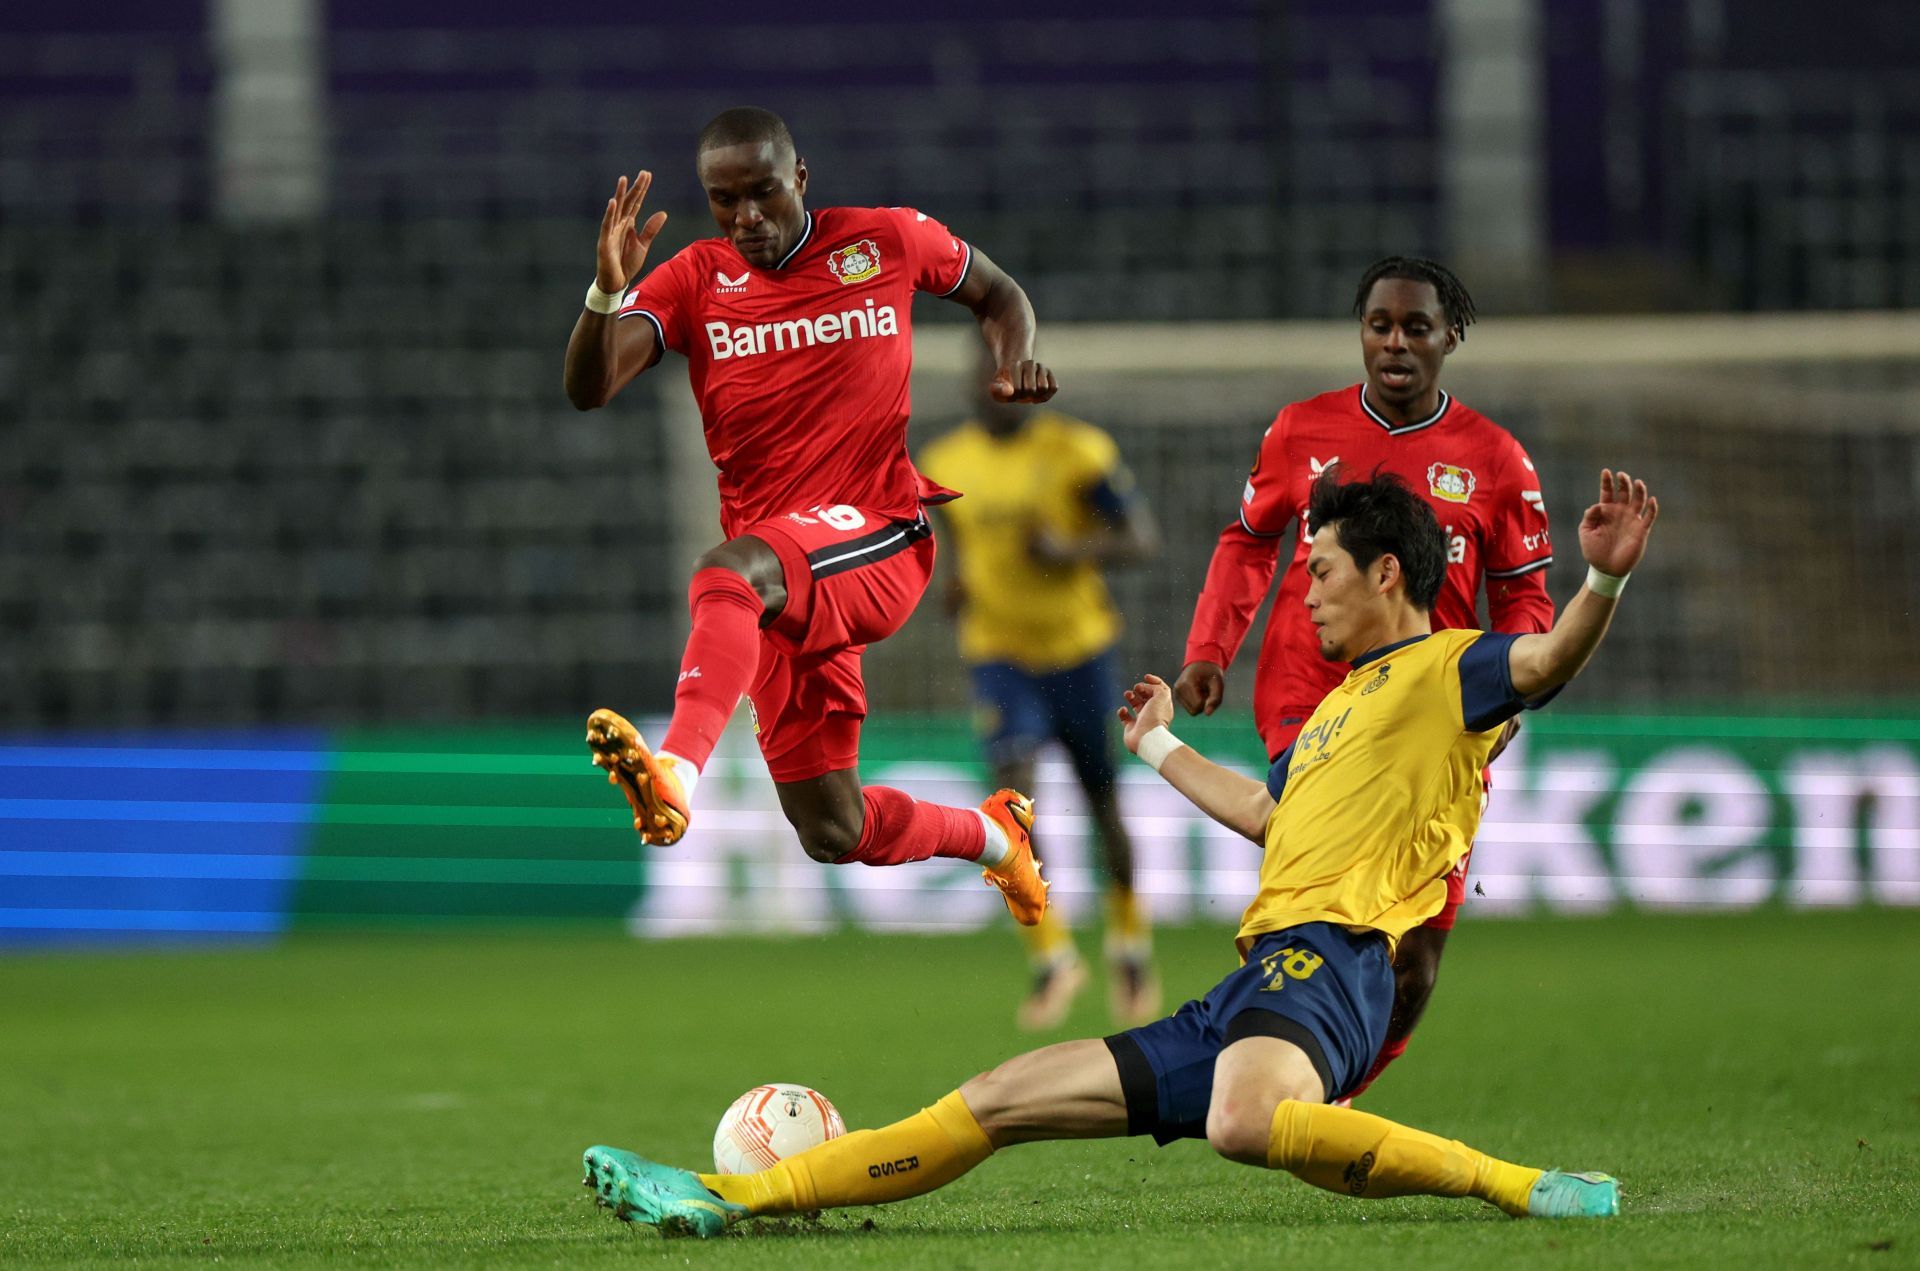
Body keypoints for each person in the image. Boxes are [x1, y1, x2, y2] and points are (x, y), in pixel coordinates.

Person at [580, 465, 1659, 1237]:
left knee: (1246, 1120)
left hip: (1339, 960)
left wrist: (1603, 582)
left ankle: (1521, 1185)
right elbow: (1273, 814)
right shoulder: (1338, 712)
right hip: (1257, 979)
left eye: (1320, 567)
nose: (1305, 586)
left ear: (1386, 573)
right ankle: (724, 1196)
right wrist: (1157, 747)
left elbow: (1549, 659)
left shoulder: (1449, 668)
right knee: (998, 1096)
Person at [562, 107, 1060, 924]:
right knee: (832, 827)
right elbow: (589, 389)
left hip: (878, 531)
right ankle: (994, 834)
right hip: (779, 583)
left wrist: (1013, 361)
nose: (747, 217)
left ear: (800, 178)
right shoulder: (694, 279)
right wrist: (607, 291)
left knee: (722, 570)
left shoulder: (886, 240)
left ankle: (675, 776)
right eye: (725, 201)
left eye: (762, 193)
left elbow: (997, 292)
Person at [1175, 257, 1555, 1098]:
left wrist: (1514, 678)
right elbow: (1247, 540)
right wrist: (1211, 647)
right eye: (1379, 324)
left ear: (1447, 337)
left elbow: (1524, 594)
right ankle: (1279, 1070)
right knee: (1323, 903)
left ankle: (1333, 1091)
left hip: (1435, 720)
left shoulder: (1497, 461)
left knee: (1417, 956)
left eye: (1415, 326)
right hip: (1307, 701)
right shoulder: (1299, 433)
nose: (1394, 342)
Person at [919, 366, 1161, 1030]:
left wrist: (1069, 547)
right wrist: (955, 586)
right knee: (1012, 804)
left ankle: (1130, 945)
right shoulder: (944, 463)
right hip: (1000, 655)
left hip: (1080, 649)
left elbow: (1142, 538)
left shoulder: (1077, 451)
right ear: (970, 389)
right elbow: (956, 547)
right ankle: (1052, 958)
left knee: (1102, 802)